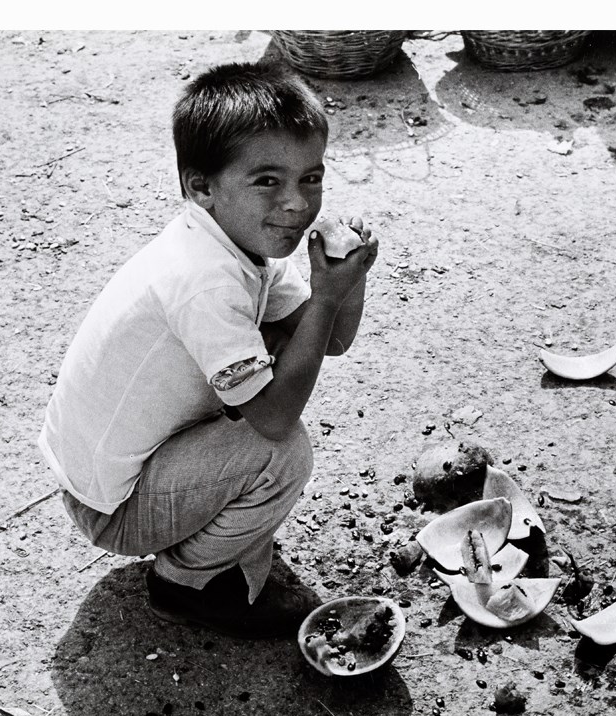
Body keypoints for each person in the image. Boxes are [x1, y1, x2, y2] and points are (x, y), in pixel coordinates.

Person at [38, 61, 380, 639]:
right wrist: (325, 301)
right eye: (267, 181)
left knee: (279, 354)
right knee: (284, 454)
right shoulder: (205, 280)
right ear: (201, 187)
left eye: (311, 178)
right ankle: (182, 584)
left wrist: (349, 281)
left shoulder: (239, 243)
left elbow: (334, 341)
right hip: (110, 508)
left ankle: (211, 535)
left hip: (126, 470)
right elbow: (274, 421)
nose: (298, 204)